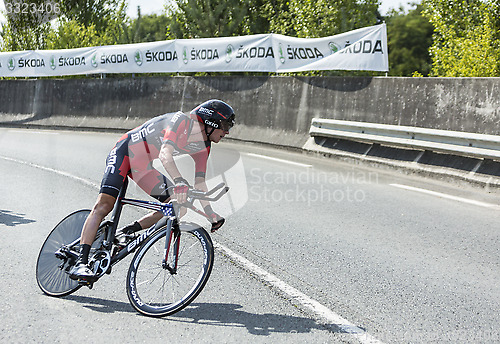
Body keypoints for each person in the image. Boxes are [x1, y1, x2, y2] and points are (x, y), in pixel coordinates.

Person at [69, 99, 235, 281]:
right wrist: (179, 181)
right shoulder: (181, 121)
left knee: (180, 206)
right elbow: (165, 154)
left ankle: (126, 232)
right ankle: (81, 263)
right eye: (225, 125)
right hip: (124, 152)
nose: (227, 132)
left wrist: (210, 213)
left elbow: (200, 183)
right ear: (211, 122)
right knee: (105, 205)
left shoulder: (204, 146)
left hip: (141, 166)